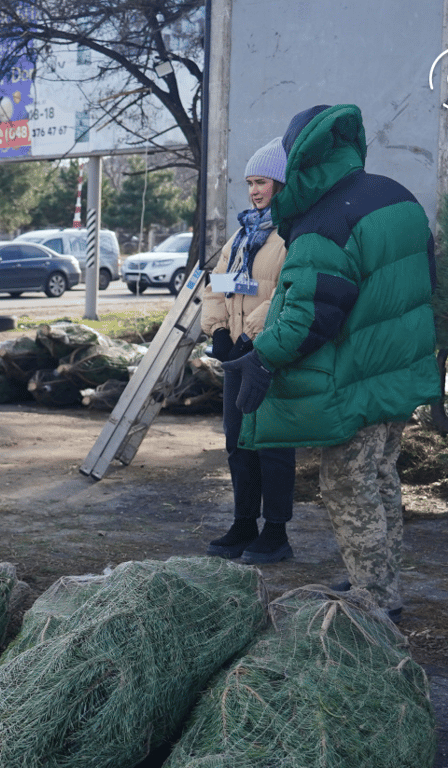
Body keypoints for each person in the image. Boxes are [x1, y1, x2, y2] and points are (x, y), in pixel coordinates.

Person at [220, 104, 439, 622]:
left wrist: (263, 357)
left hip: (355, 377)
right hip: (397, 369)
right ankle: (378, 578)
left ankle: (376, 601)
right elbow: (423, 283)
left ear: (298, 160)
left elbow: (307, 315)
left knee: (349, 483)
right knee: (382, 475)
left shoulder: (326, 221)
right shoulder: (396, 196)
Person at [201, 137, 297, 565]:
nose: (255, 191)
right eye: (250, 183)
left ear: (282, 183)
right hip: (235, 356)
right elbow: (217, 285)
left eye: (263, 182)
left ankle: (275, 533)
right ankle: (244, 524)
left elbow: (285, 293)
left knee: (273, 444)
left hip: (268, 353)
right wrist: (219, 331)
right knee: (238, 442)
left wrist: (251, 336)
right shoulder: (241, 235)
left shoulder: (292, 234)